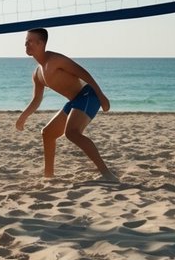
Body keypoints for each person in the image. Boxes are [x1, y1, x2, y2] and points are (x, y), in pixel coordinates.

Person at [16, 28, 115, 179]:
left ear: (41, 43)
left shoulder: (56, 60)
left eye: (30, 41)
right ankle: (49, 176)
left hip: (88, 95)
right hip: (75, 101)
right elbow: (37, 99)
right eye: (26, 41)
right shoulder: (38, 73)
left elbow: (84, 74)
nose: (26, 44)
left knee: (72, 132)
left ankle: (107, 174)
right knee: (47, 133)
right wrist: (23, 116)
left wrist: (101, 96)